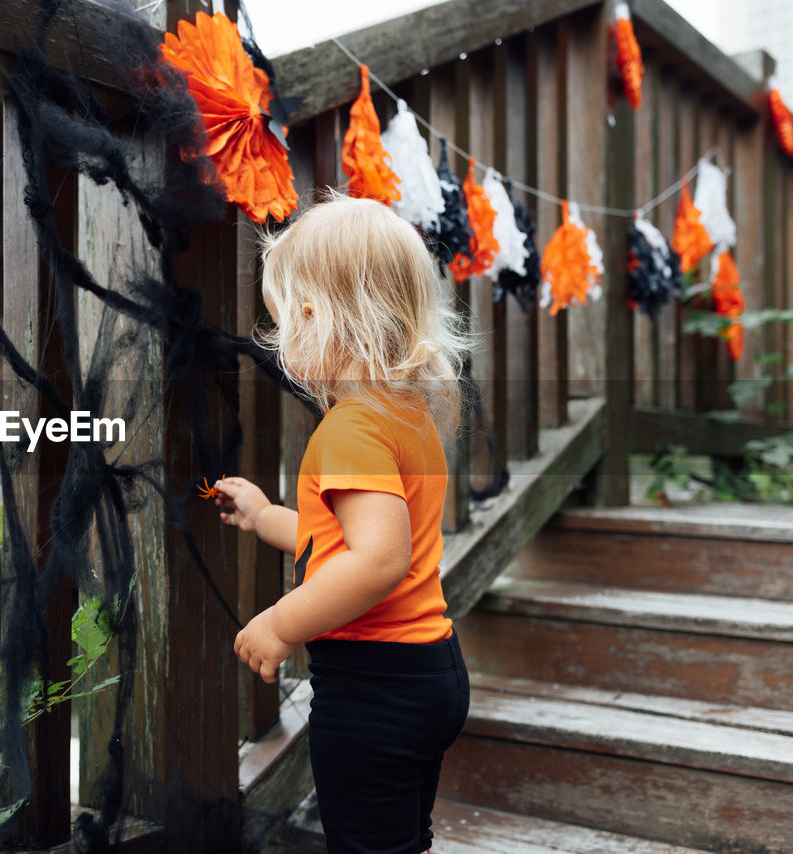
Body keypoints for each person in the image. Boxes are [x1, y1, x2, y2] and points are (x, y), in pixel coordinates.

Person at [212, 193, 475, 854]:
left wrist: (279, 622)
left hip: (372, 687)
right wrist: (267, 516)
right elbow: (347, 537)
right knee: (401, 841)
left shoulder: (351, 429)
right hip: (429, 671)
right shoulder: (404, 413)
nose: (278, 344)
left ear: (312, 319)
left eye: (280, 325)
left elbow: (378, 561)